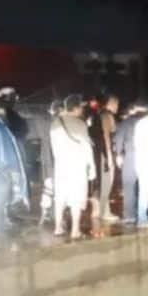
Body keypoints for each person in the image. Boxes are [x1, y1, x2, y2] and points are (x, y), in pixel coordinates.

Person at [50, 94, 95, 239]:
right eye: (81, 107)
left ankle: (58, 228)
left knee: (60, 197)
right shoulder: (80, 124)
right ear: (75, 108)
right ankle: (75, 230)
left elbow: (53, 148)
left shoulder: (55, 123)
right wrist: (92, 168)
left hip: (61, 166)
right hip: (77, 167)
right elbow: (87, 148)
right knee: (76, 198)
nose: (82, 109)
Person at [0, 104, 29, 236]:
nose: (4, 115)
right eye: (1, 113)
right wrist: (7, 168)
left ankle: (0, 224)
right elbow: (2, 151)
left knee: (2, 198)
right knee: (0, 199)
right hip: (3, 170)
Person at [114, 102, 147, 224]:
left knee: (129, 185)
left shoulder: (126, 123)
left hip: (131, 156)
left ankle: (129, 215)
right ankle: (143, 213)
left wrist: (118, 154)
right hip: (145, 156)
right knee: (143, 186)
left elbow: (118, 139)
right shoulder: (146, 123)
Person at [92, 94, 120, 221]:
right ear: (111, 103)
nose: (117, 107)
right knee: (107, 182)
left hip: (97, 152)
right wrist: (109, 154)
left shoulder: (97, 114)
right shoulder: (107, 116)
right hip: (105, 152)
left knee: (100, 181)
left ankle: (97, 209)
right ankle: (105, 211)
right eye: (116, 104)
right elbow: (106, 135)